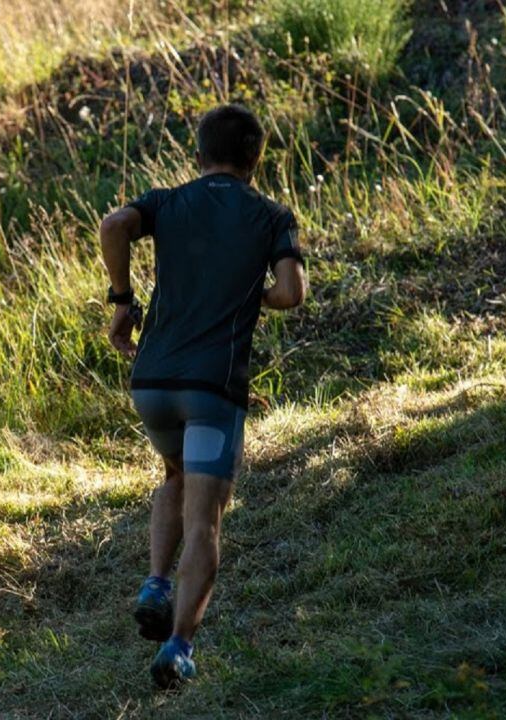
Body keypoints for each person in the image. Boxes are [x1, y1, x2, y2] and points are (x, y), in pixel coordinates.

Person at [99, 104, 307, 688]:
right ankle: (179, 647)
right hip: (213, 390)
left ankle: (155, 583)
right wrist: (250, 290)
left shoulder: (165, 201)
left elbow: (114, 225)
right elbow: (291, 292)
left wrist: (122, 300)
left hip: (152, 382)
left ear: (198, 153)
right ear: (255, 160)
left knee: (173, 476)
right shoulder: (271, 215)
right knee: (206, 521)